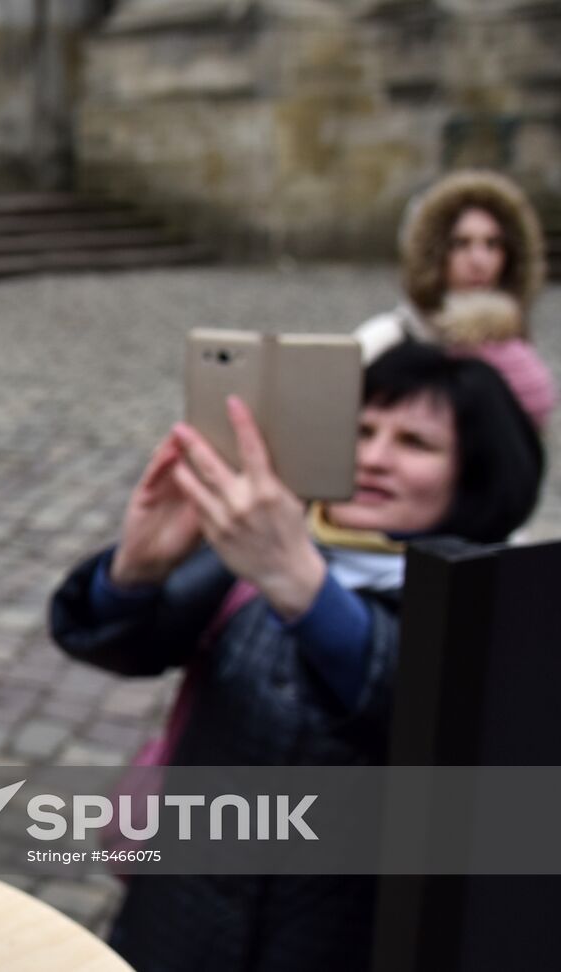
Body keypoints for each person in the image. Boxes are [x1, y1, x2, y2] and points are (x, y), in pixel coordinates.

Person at [49, 342, 544, 971]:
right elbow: (125, 643)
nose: (372, 457)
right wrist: (134, 572)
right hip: (179, 915)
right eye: (360, 430)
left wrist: (301, 583)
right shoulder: (265, 549)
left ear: (474, 474)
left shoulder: (501, 602)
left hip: (343, 935)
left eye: (415, 444)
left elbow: (433, 718)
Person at [355, 169, 554, 427]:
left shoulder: (514, 344)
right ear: (433, 252)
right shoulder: (388, 338)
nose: (479, 261)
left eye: (493, 244)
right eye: (460, 243)